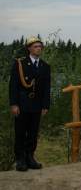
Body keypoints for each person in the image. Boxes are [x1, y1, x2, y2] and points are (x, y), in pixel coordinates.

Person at [9, 36, 50, 171]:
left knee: (33, 133)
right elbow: (13, 86)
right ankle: (20, 159)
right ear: (29, 48)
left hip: (37, 105)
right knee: (20, 132)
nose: (38, 49)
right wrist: (14, 104)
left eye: (40, 46)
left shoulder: (45, 66)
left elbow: (46, 88)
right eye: (35, 46)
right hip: (22, 104)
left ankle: (30, 157)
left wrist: (45, 105)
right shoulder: (20, 63)